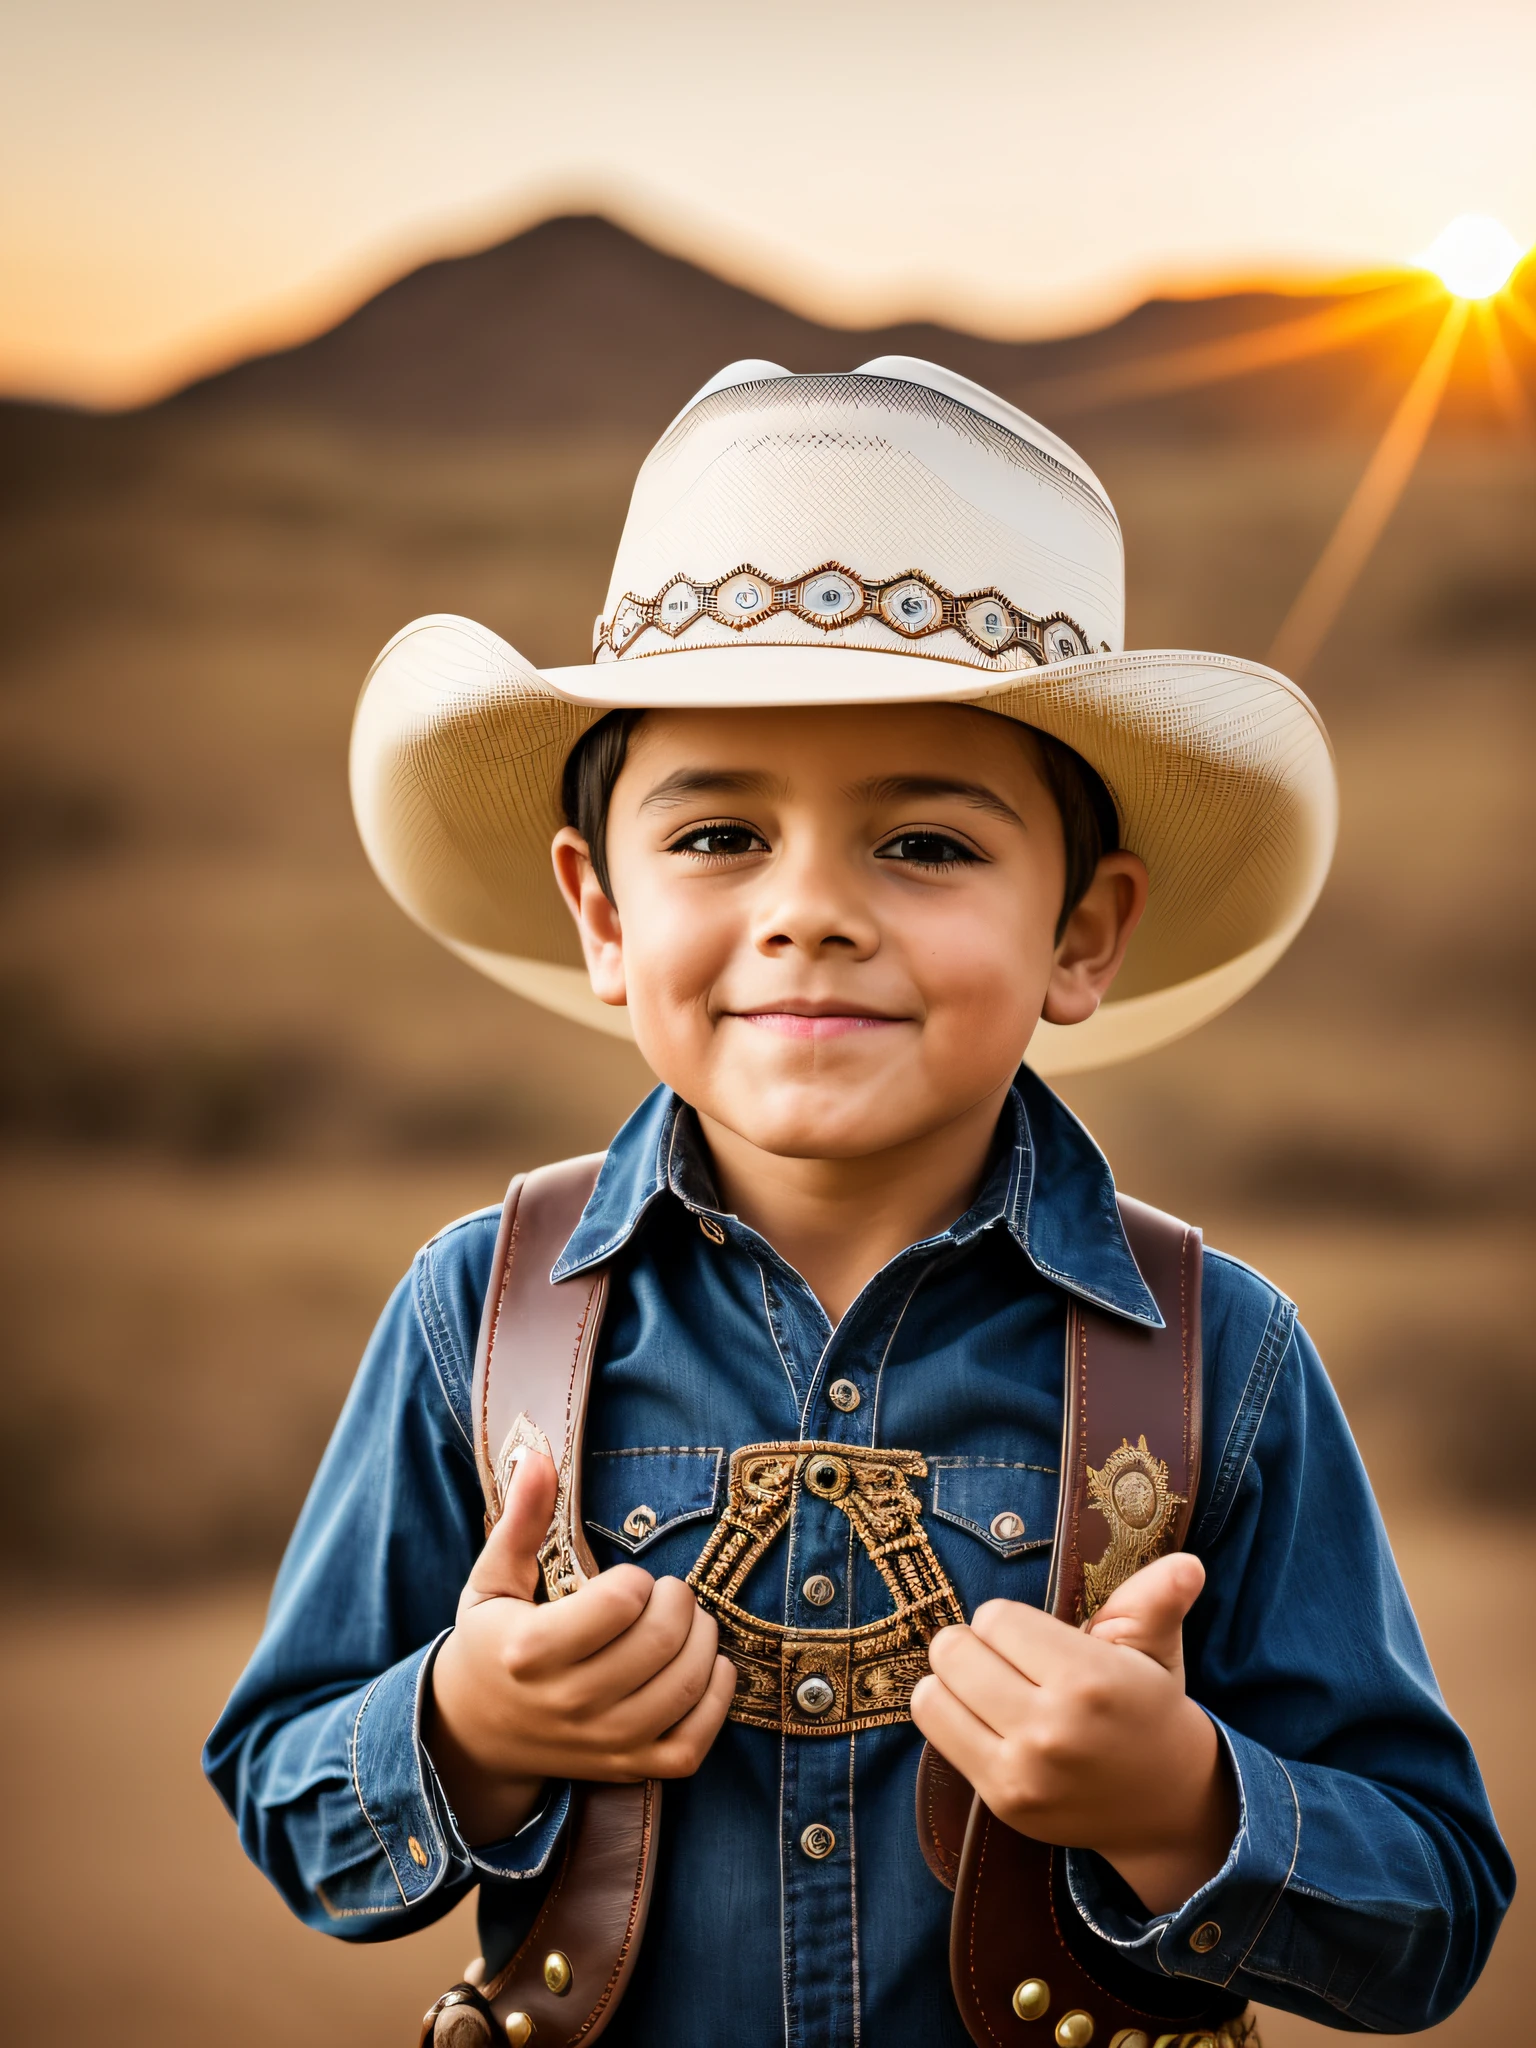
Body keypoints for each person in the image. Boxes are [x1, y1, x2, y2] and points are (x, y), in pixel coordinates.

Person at [205, 358, 1512, 2045]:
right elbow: (285, 1795)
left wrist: (1184, 1800)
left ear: (1085, 932)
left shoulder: (1217, 1357)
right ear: (600, 915)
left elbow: (1434, 1913)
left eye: (925, 846)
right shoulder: (481, 1312)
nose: (810, 912)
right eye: (722, 834)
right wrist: (461, 1719)